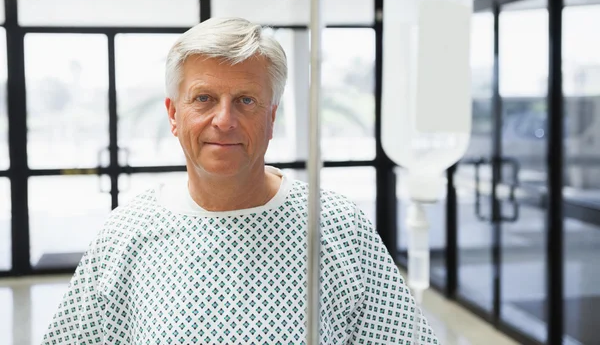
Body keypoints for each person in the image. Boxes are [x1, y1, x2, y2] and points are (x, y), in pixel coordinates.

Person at [42, 17, 439, 344]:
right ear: (173, 115)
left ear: (271, 118)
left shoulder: (334, 225)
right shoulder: (126, 234)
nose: (224, 120)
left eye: (246, 100)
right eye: (204, 99)